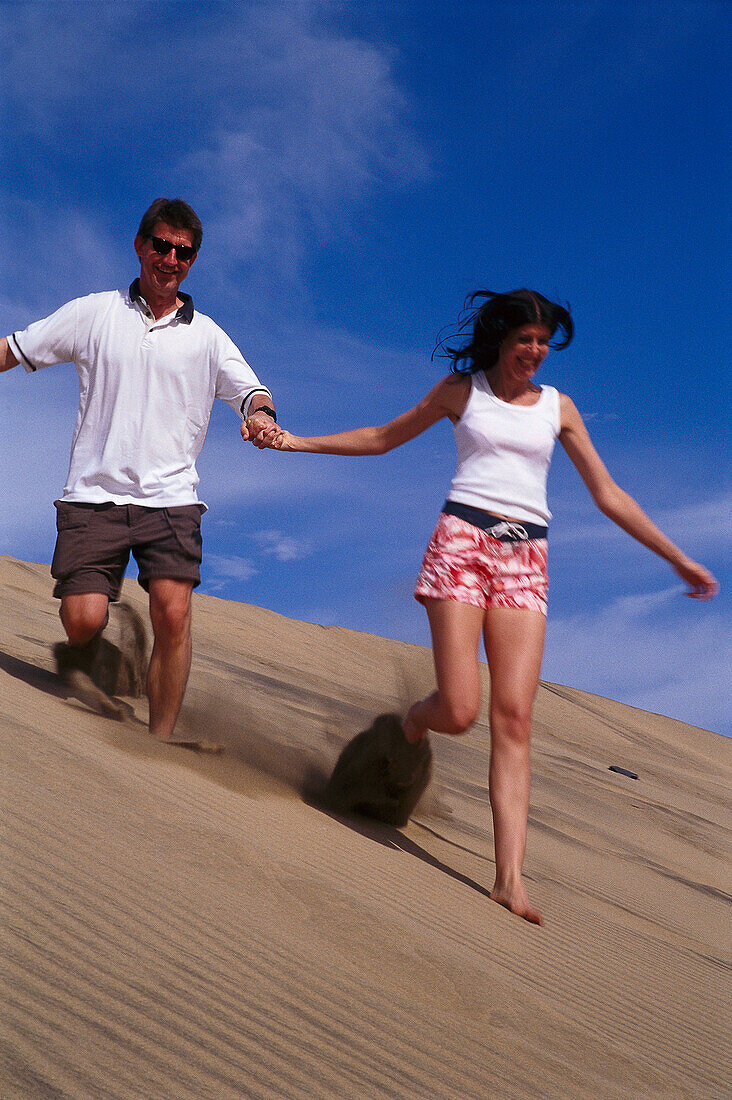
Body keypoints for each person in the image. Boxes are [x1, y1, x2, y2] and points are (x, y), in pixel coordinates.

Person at [250, 288, 718, 924]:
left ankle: (508, 880)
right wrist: (294, 442)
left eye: (544, 341)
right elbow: (383, 437)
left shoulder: (559, 408)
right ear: (501, 338)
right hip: (463, 542)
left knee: (515, 718)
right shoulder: (460, 392)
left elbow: (608, 493)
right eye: (524, 338)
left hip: (527, 557)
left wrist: (676, 556)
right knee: (461, 709)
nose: (535, 351)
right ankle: (410, 725)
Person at [1, 197, 279, 749]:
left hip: (171, 499)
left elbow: (251, 390)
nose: (171, 259)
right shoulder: (94, 313)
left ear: (192, 260)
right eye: (162, 246)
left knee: (173, 614)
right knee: (82, 620)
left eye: (184, 251)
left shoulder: (208, 336)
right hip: (92, 493)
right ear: (140, 246)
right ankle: (103, 661)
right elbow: (15, 349)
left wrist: (261, 417)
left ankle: (158, 744)